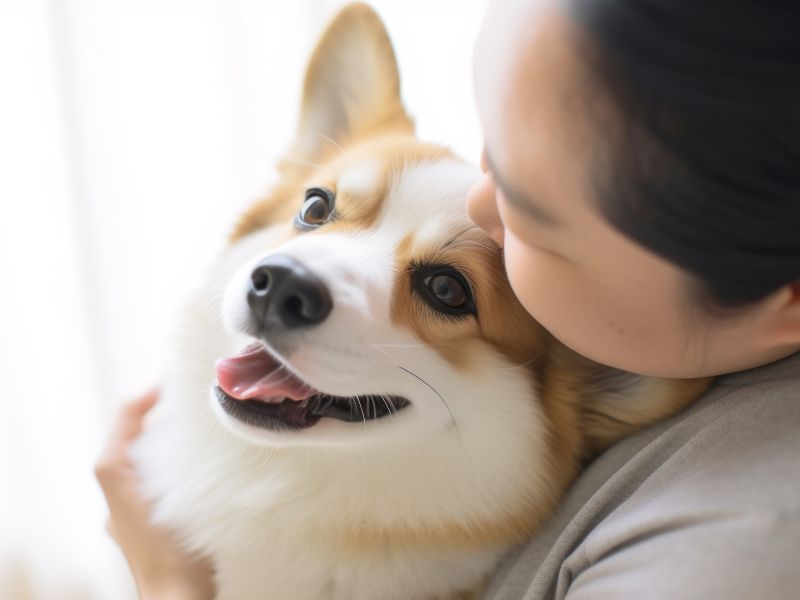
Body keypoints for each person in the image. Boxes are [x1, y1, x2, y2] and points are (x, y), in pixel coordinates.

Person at [95, 0, 800, 598]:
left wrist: (171, 585)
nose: (478, 201)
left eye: (445, 287)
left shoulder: (735, 547)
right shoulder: (647, 326)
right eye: (318, 210)